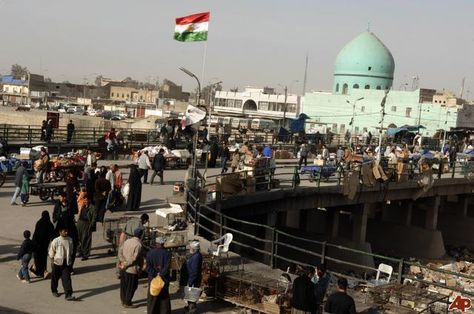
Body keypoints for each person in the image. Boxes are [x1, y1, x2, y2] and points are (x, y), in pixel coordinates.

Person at [118, 228, 144, 308]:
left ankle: (123, 300)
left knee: (124, 285)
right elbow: (134, 258)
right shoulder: (138, 245)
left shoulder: (127, 241)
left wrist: (123, 262)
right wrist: (126, 264)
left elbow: (120, 252)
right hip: (132, 269)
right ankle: (127, 302)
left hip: (123, 268)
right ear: (141, 235)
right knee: (132, 286)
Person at [146, 237, 171, 314]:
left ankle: (152, 312)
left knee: (153, 296)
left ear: (156, 243)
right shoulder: (167, 253)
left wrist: (155, 274)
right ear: (163, 243)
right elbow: (167, 267)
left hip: (153, 278)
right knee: (164, 297)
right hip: (164, 278)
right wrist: (161, 274)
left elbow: (148, 267)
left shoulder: (150, 253)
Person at [49, 227, 74, 300]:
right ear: (60, 232)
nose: (66, 233)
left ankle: (68, 295)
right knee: (54, 278)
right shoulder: (56, 241)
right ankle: (54, 291)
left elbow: (71, 251)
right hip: (57, 263)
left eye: (67, 231)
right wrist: (52, 262)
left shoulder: (70, 240)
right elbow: (51, 252)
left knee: (67, 279)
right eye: (64, 231)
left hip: (66, 263)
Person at [32, 210, 55, 279]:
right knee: (43, 258)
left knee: (37, 258)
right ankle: (43, 271)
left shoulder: (39, 222)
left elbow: (35, 233)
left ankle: (37, 271)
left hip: (37, 244)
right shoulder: (50, 224)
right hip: (44, 245)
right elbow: (52, 235)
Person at [185, 240, 203, 313]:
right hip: (192, 278)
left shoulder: (196, 257)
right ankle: (190, 307)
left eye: (190, 247)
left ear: (194, 248)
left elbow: (194, 271)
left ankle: (192, 310)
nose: (189, 249)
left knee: (192, 295)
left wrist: (190, 282)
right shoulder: (195, 255)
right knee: (190, 295)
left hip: (194, 279)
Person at [76, 196, 95, 261]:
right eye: (84, 200)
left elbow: (94, 218)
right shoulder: (83, 206)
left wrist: (91, 225)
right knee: (78, 238)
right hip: (80, 223)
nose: (85, 201)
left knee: (86, 239)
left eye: (86, 200)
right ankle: (80, 251)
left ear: (89, 200)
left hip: (86, 224)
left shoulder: (92, 207)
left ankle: (86, 254)